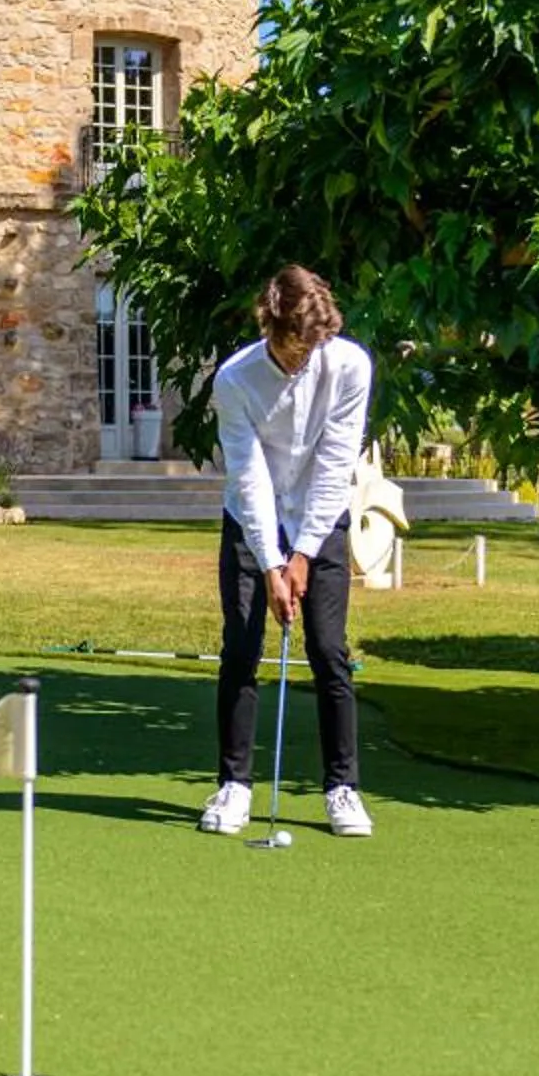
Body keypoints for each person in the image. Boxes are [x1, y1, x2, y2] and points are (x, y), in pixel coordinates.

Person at [200, 266, 374, 838]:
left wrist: (301, 555)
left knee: (329, 650)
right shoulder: (235, 380)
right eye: (294, 344)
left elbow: (334, 465)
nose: (304, 358)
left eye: (313, 343)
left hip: (321, 519)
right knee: (242, 646)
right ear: (268, 325)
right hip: (251, 523)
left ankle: (342, 789)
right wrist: (272, 563)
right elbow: (247, 481)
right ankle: (234, 787)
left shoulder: (348, 365)